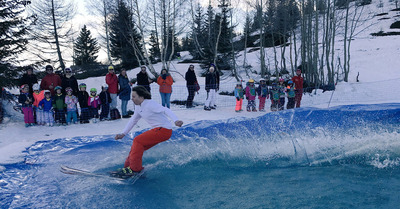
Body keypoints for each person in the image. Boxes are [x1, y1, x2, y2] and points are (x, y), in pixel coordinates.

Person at [112, 86, 183, 178]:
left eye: (134, 96)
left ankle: (135, 170)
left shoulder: (150, 104)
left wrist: (176, 120)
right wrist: (123, 134)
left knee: (137, 141)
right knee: (136, 147)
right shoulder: (138, 107)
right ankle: (127, 168)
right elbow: (133, 120)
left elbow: (166, 110)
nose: (132, 98)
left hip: (164, 130)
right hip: (158, 130)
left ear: (141, 97)